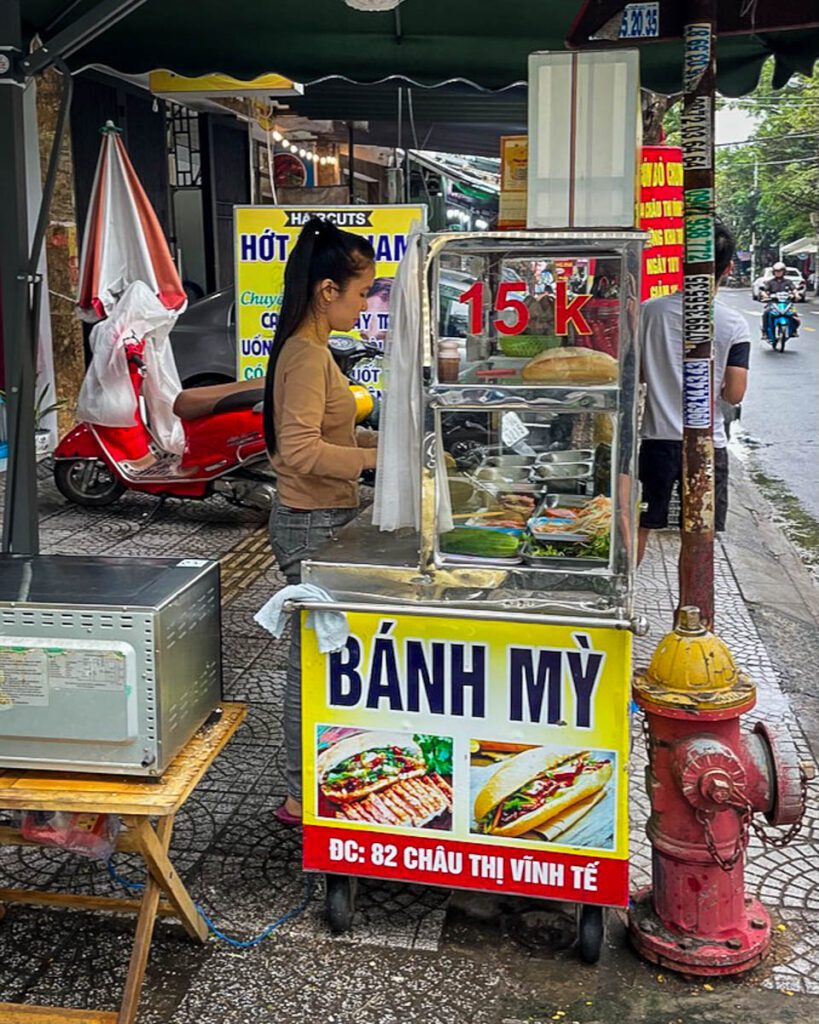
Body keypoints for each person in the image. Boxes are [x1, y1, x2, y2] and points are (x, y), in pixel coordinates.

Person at [263, 217, 378, 826]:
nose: (366, 304)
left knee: (326, 656)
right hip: (310, 523)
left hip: (323, 515)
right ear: (327, 290)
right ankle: (299, 794)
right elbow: (300, 452)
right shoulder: (306, 357)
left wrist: (383, 441)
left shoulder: (312, 351)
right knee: (312, 662)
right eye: (362, 292)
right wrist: (372, 458)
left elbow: (330, 432)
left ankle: (313, 779)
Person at [637, 222, 750, 564]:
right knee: (698, 534)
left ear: (683, 263)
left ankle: (626, 604)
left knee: (641, 525)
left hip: (657, 442)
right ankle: (695, 610)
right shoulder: (733, 324)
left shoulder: (649, 312)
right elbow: (734, 394)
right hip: (706, 445)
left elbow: (638, 374)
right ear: (728, 269)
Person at [760, 261, 800, 339]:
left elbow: (794, 289)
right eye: (776, 271)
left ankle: (794, 330)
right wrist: (765, 296)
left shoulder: (788, 282)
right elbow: (764, 291)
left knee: (794, 313)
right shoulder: (770, 282)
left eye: (780, 271)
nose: (778, 273)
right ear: (773, 272)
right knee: (766, 313)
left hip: (786, 303)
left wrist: (797, 295)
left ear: (784, 272)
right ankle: (765, 332)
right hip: (773, 303)